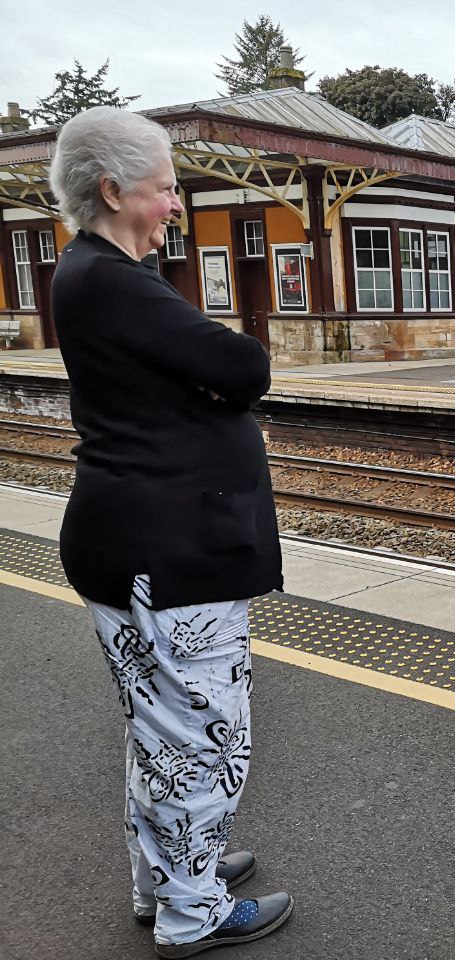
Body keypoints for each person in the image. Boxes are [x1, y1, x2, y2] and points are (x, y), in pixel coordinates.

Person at [50, 106, 292, 957]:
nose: (177, 205)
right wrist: (223, 391)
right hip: (169, 556)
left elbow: (204, 379)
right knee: (200, 735)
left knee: (161, 731)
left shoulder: (89, 274)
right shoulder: (113, 280)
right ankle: (196, 912)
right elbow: (244, 367)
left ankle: (169, 880)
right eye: (164, 189)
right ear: (113, 191)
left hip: (137, 545)